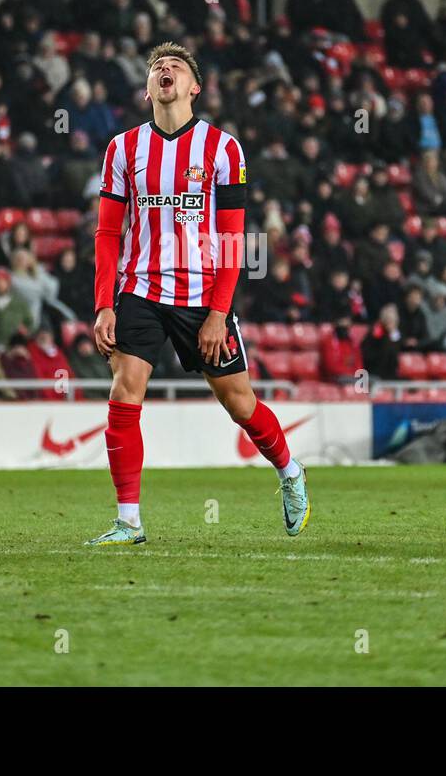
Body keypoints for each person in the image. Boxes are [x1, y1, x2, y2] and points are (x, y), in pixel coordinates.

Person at [90, 41, 309, 546]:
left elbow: (234, 240)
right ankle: (129, 521)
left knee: (239, 402)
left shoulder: (224, 149)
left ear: (195, 87)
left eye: (176, 67)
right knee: (124, 391)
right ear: (148, 90)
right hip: (140, 290)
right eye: (156, 68)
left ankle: (290, 471)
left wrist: (219, 313)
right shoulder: (122, 149)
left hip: (202, 297)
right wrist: (104, 303)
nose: (164, 70)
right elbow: (107, 234)